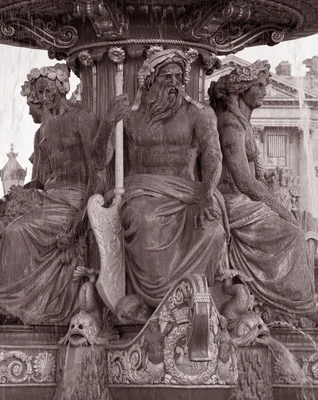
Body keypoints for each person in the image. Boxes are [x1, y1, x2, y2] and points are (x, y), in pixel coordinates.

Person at [208, 60, 318, 327]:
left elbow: (255, 176)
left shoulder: (241, 124)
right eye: (259, 85)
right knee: (293, 232)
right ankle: (304, 309)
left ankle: (300, 301)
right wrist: (280, 210)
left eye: (266, 85)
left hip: (242, 200)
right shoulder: (229, 125)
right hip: (231, 203)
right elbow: (244, 181)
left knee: (304, 223)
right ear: (242, 89)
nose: (265, 91)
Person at [94, 48, 229, 309]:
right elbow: (100, 160)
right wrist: (108, 122)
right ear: (150, 81)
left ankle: (194, 298)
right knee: (145, 220)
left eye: (179, 77)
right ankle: (156, 302)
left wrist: (207, 194)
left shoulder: (198, 114)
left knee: (213, 230)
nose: (174, 84)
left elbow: (214, 155)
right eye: (167, 77)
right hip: (143, 193)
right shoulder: (130, 117)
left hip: (189, 194)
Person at [0, 64, 98, 325]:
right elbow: (39, 181)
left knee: (16, 232)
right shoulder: (42, 133)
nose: (33, 105)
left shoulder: (82, 120)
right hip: (47, 199)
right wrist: (8, 202)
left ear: (51, 93)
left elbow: (98, 172)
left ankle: (10, 307)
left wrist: (85, 215)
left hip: (73, 200)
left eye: (36, 98)